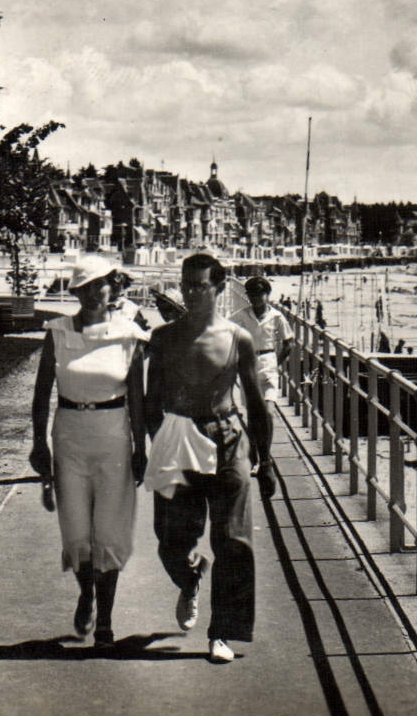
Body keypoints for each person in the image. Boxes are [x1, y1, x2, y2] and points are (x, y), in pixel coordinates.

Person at [143, 253, 276, 665]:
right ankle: (190, 577)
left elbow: (256, 403)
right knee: (170, 541)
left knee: (234, 541)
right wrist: (158, 443)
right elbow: (150, 403)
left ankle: (223, 633)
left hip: (227, 439)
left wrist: (265, 460)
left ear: (220, 289)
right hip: (179, 437)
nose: (191, 292)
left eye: (201, 285)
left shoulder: (239, 338)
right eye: (186, 284)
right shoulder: (163, 338)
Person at [29, 255, 148, 649]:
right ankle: (87, 592)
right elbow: (42, 392)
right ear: (77, 292)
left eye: (103, 284)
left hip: (113, 438)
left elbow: (137, 397)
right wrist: (37, 443)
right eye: (88, 287)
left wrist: (140, 447)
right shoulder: (58, 333)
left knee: (108, 532)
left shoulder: (128, 334)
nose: (97, 293)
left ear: (114, 287)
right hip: (69, 439)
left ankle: (106, 623)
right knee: (76, 531)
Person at [231, 275, 289, 405]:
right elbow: (224, 327)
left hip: (268, 362)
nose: (255, 298)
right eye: (251, 295)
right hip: (248, 363)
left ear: (267, 294)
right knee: (252, 410)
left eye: (259, 294)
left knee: (269, 405)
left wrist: (276, 363)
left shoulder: (276, 316)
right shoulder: (242, 314)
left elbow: (288, 343)